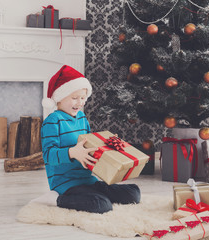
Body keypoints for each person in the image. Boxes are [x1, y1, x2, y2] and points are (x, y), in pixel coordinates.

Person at [41, 65, 140, 214]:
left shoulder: (81, 118)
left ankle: (97, 196)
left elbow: (89, 145)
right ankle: (57, 199)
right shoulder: (52, 121)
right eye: (74, 98)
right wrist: (72, 153)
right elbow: (48, 155)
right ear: (59, 98)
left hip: (88, 180)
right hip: (66, 184)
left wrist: (108, 148)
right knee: (101, 205)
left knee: (134, 193)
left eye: (83, 98)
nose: (80, 103)